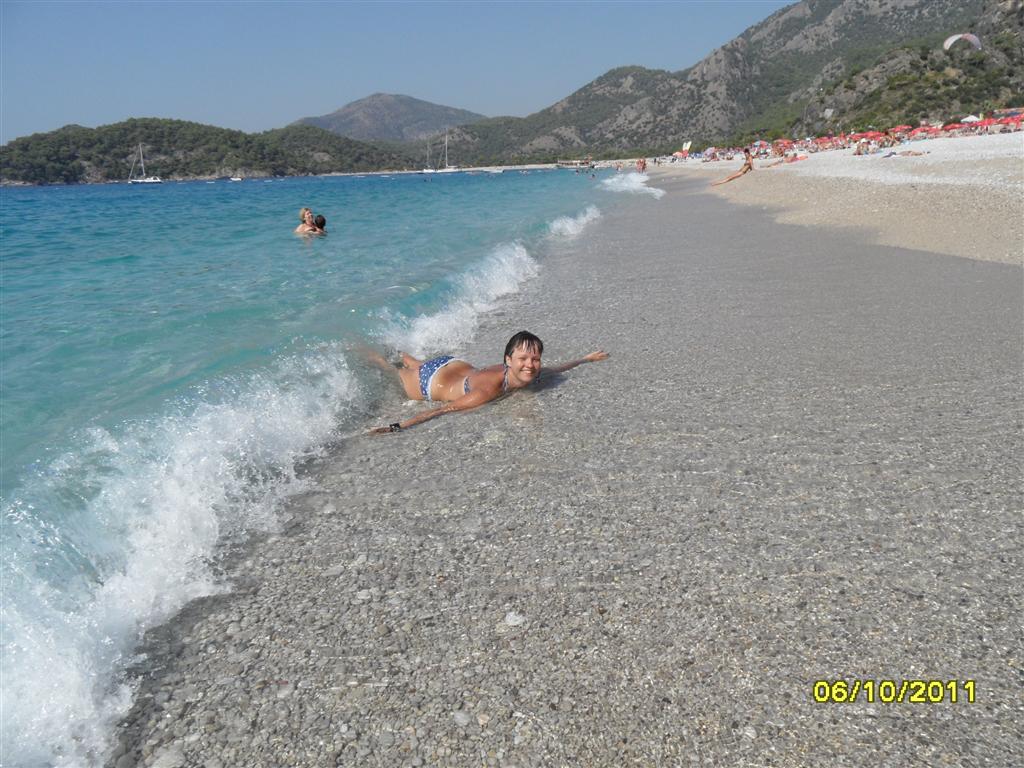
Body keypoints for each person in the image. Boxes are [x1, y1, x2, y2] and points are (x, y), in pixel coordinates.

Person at [369, 331, 609, 433]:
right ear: (508, 360)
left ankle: (393, 350)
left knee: (410, 360)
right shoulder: (487, 390)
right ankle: (361, 350)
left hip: (452, 365)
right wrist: (397, 427)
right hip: (430, 381)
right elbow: (443, 410)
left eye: (535, 359)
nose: (530, 364)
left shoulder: (529, 372)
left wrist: (585, 359)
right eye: (523, 359)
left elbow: (555, 369)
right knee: (386, 367)